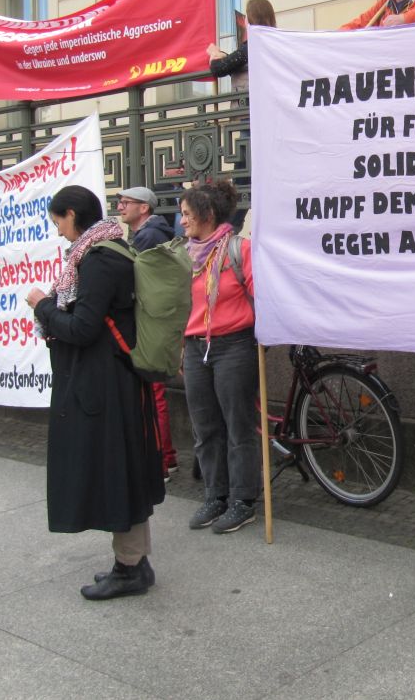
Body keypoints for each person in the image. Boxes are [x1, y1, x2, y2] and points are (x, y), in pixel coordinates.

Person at [25, 186, 165, 600]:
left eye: (59, 223)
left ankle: (131, 568)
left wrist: (42, 306)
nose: (60, 233)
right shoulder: (104, 250)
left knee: (117, 472)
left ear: (72, 215)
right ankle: (133, 562)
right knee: (122, 470)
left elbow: (83, 329)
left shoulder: (99, 260)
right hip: (112, 381)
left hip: (106, 385)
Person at [180, 178, 259, 535]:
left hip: (235, 346)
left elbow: (263, 295)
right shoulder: (186, 255)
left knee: (238, 426)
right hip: (196, 346)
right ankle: (215, 495)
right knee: (205, 427)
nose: (182, 221)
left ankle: (243, 501)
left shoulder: (239, 250)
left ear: (207, 214)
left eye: (187, 214)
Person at [116, 185, 178, 480]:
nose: (120, 207)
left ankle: (163, 460)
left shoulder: (149, 236)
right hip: (155, 321)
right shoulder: (146, 234)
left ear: (144, 208)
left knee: (154, 393)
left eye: (126, 202)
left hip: (151, 323)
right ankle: (165, 457)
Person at [205, 0, 277, 80]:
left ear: (251, 20)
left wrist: (214, 53)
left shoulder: (253, 45)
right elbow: (239, 60)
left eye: (246, 16)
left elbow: (218, 69)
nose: (244, 19)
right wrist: (225, 56)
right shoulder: (274, 41)